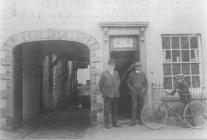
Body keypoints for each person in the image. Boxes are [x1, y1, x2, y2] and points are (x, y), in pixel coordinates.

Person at [98, 58, 121, 129]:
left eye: (113, 65)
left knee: (115, 109)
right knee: (107, 110)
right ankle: (107, 124)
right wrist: (104, 93)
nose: (112, 66)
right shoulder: (104, 73)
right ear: (108, 65)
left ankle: (115, 123)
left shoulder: (116, 73)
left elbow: (118, 81)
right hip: (107, 95)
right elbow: (100, 84)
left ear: (115, 65)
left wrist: (116, 87)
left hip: (115, 94)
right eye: (110, 65)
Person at [127, 62, 148, 126]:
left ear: (141, 67)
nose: (139, 68)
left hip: (141, 93)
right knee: (134, 106)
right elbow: (128, 82)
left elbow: (146, 83)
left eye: (140, 67)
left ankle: (141, 121)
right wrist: (132, 89)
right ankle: (133, 121)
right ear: (135, 67)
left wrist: (144, 89)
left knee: (141, 107)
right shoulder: (131, 74)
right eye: (137, 67)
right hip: (134, 93)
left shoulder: (143, 74)